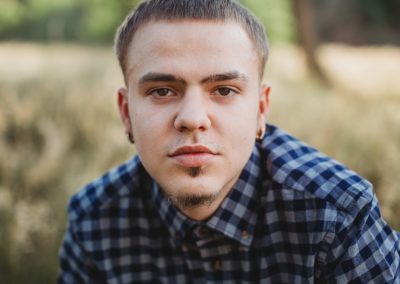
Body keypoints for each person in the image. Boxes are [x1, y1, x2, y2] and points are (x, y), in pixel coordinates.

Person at [58, 0, 400, 282]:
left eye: (224, 90)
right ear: (126, 112)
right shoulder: (93, 221)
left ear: (260, 110)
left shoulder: (336, 214)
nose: (192, 118)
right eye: (162, 91)